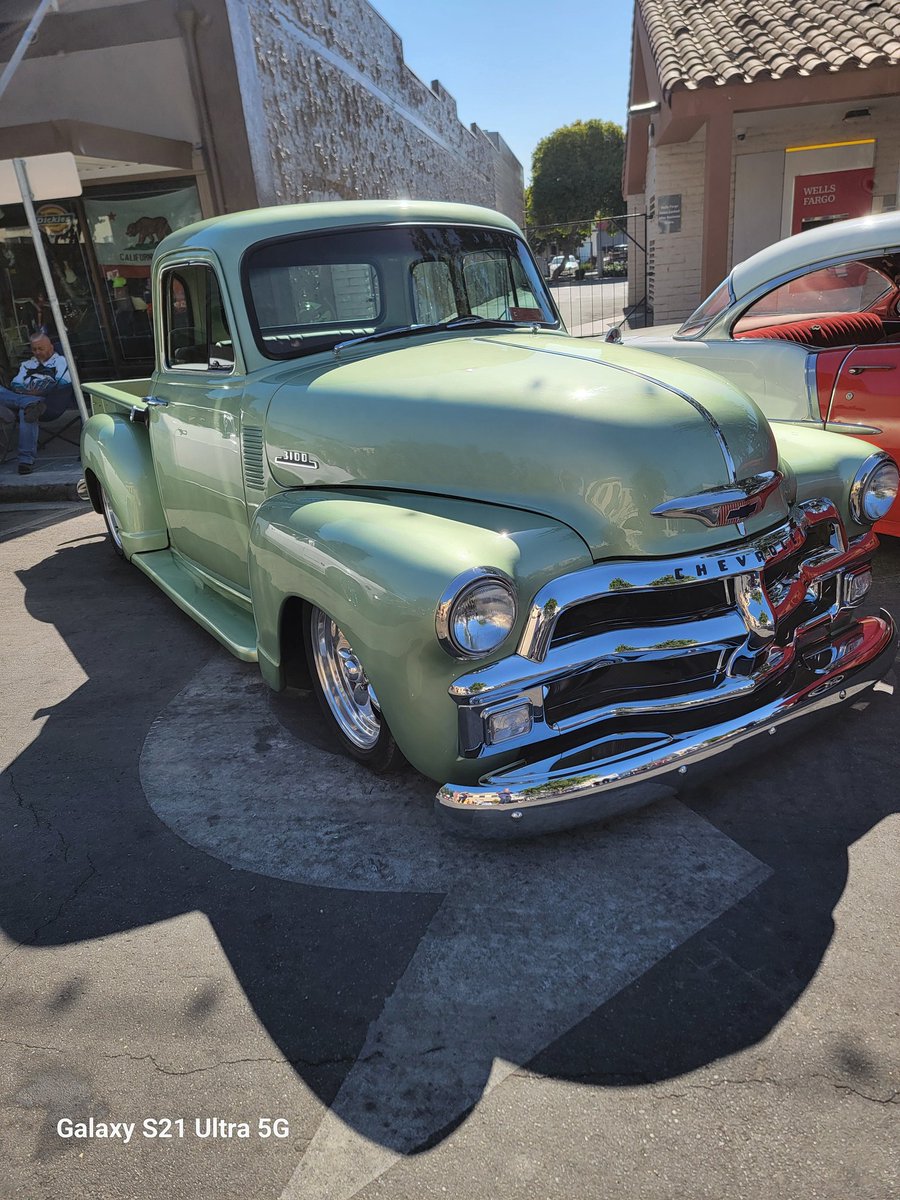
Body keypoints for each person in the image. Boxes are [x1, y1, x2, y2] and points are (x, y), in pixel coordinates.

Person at [0, 332, 72, 475]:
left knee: (27, 412)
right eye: (34, 349)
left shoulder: (62, 361)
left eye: (41, 349)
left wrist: (37, 391)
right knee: (27, 406)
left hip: (49, 403)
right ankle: (29, 403)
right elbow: (16, 384)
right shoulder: (27, 364)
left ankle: (25, 460)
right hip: (27, 400)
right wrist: (28, 394)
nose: (37, 352)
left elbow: (62, 383)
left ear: (51, 347)